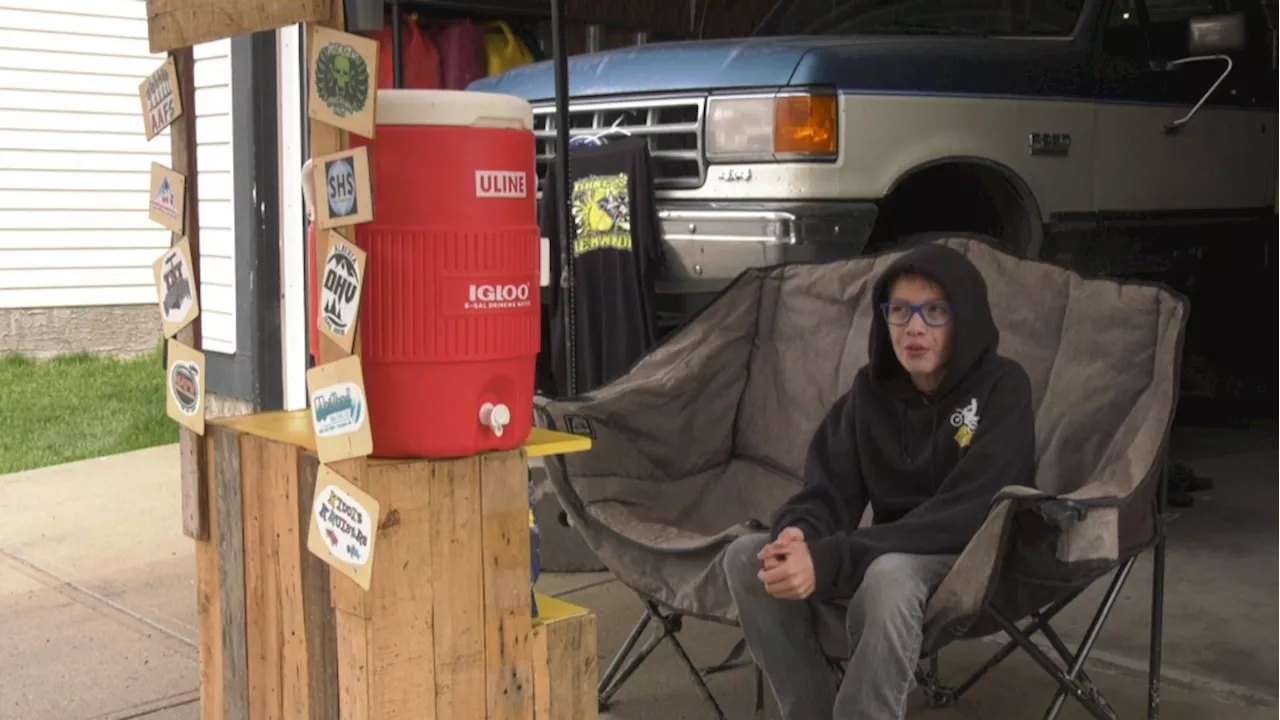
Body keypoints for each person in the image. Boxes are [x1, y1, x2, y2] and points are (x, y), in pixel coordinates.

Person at [723, 242, 1037, 720]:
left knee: (888, 578)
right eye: (900, 311)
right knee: (748, 557)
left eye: (934, 311)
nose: (913, 327)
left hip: (968, 555)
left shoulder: (1002, 388)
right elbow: (828, 488)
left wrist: (832, 558)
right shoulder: (869, 393)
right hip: (885, 551)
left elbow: (971, 512)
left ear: (964, 318)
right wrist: (800, 532)